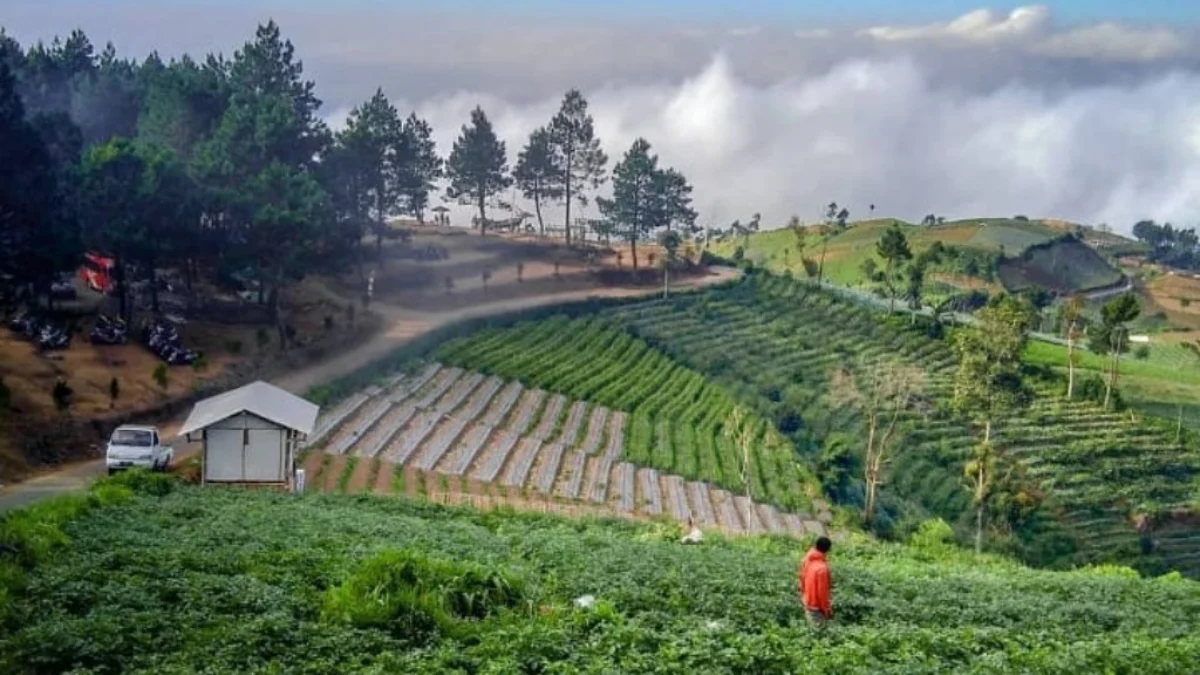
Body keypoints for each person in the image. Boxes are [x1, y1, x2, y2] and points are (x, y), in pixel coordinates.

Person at [798, 536, 833, 628]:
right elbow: (822, 592)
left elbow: (801, 577)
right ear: (828, 550)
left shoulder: (807, 559)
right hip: (816, 606)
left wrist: (803, 595)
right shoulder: (822, 569)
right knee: (820, 633)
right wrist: (826, 609)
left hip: (806, 599)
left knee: (811, 629)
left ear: (815, 546)